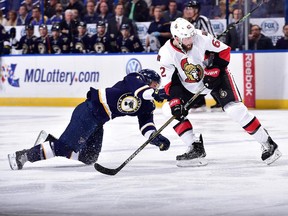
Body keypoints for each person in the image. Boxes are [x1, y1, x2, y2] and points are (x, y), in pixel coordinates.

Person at [157, 17, 281, 167]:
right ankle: (195, 147)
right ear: (176, 37)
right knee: (169, 110)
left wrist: (214, 70)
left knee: (235, 110)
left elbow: (224, 51)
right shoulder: (165, 53)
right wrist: (176, 104)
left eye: (191, 36)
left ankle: (268, 143)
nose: (190, 40)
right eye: (186, 38)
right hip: (188, 85)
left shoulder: (200, 36)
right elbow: (171, 83)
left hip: (216, 77)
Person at [8, 69, 170, 170]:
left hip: (99, 120)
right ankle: (23, 156)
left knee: (89, 157)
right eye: (154, 84)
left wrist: (156, 138)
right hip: (89, 110)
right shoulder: (134, 78)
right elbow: (140, 92)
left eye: (157, 85)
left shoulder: (148, 106)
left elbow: (146, 126)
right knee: (64, 147)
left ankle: (49, 142)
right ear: (147, 80)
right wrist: (156, 93)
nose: (155, 87)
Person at [182, 0, 220, 111]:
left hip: (208, 54)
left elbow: (211, 36)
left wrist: (211, 53)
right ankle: (200, 102)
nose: (188, 11)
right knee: (197, 77)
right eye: (187, 8)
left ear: (197, 10)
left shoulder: (203, 20)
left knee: (210, 78)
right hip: (197, 55)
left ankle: (220, 101)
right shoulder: (189, 24)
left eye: (191, 8)